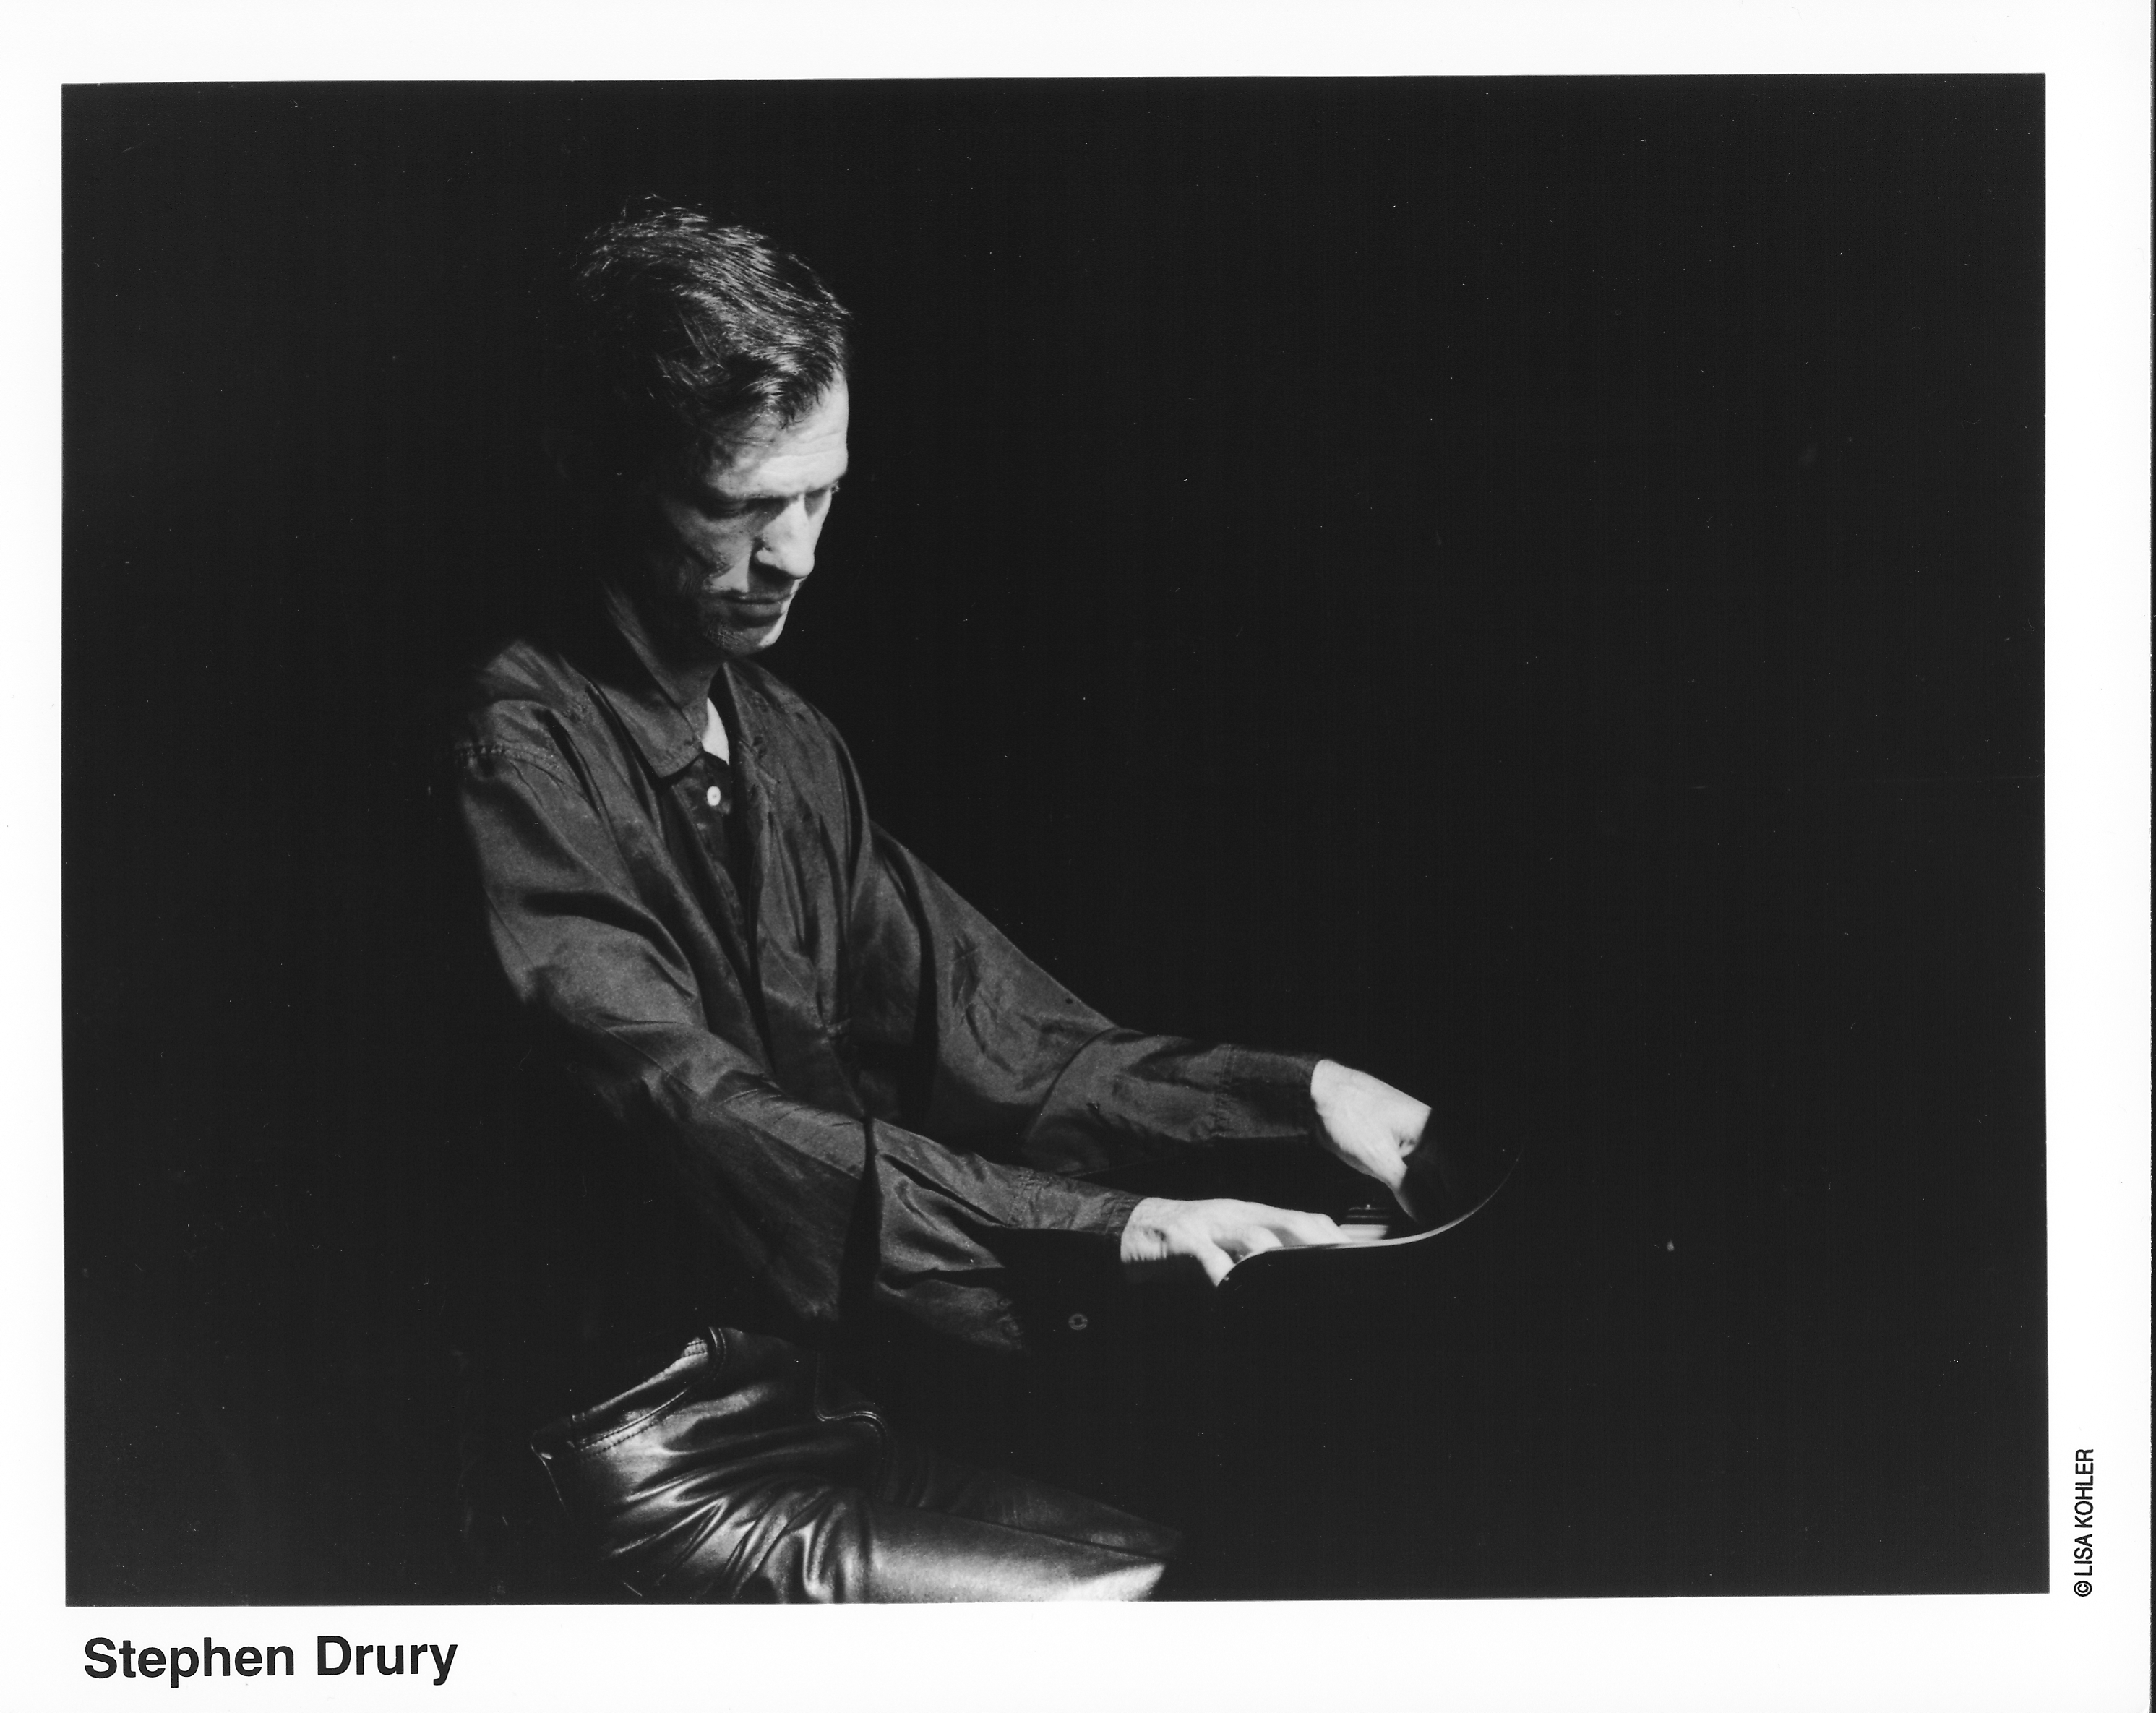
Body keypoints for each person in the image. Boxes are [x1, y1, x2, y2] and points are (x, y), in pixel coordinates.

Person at [449, 205, 1433, 1602]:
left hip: (810, 1419)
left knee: (1204, 1566)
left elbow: (994, 1035)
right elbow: (690, 1111)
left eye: (820, 495)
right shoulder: (510, 746)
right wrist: (1120, 1227)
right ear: (602, 477)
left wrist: (1306, 1099)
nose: (791, 556)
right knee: (1132, 1613)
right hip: (627, 1460)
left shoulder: (785, 743)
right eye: (734, 507)